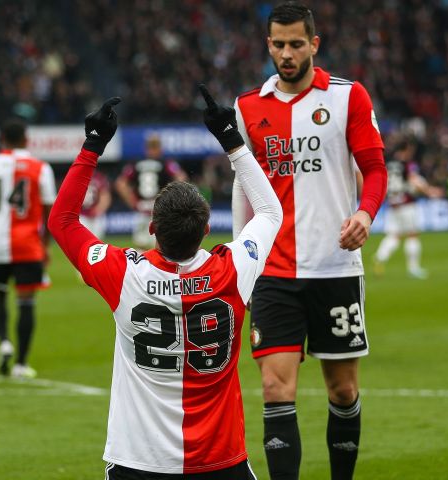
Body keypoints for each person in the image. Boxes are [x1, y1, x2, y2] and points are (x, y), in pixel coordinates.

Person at [48, 88, 282, 479]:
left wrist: (92, 145)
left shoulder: (124, 273)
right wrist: (231, 138)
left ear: (152, 229)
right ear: (207, 229)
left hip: (139, 460)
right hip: (219, 460)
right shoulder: (233, 269)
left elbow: (63, 221)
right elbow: (270, 210)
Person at [230, 3, 388, 479]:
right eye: (278, 44)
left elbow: (376, 169)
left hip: (335, 269)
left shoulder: (348, 97)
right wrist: (243, 260)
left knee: (342, 390)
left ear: (314, 44)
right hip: (273, 271)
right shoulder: (247, 107)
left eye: (296, 44)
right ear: (268, 45)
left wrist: (365, 211)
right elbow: (243, 185)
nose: (286, 53)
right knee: (276, 389)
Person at [0, 118, 56, 378]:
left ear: (1, 140)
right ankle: (20, 363)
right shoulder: (40, 168)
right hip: (28, 245)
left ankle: (4, 342)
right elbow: (49, 208)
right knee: (26, 302)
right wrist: (45, 245)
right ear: (26, 140)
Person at [373, 142, 444, 279]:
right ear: (405, 150)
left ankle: (380, 257)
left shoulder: (387, 163)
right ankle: (413, 268)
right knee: (413, 234)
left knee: (395, 235)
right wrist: (430, 191)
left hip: (393, 203)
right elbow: (414, 180)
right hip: (407, 203)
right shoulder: (405, 164)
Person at [115, 134, 188, 250]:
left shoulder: (136, 164)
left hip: (141, 207)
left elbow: (120, 183)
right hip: (160, 208)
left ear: (146, 148)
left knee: (141, 247)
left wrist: (131, 201)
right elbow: (181, 178)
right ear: (160, 148)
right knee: (163, 246)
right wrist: (172, 198)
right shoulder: (166, 163)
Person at [80, 170, 112, 238]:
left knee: (97, 242)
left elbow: (105, 195)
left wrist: (99, 209)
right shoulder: (76, 177)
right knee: (82, 240)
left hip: (96, 215)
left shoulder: (98, 177)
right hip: (81, 214)